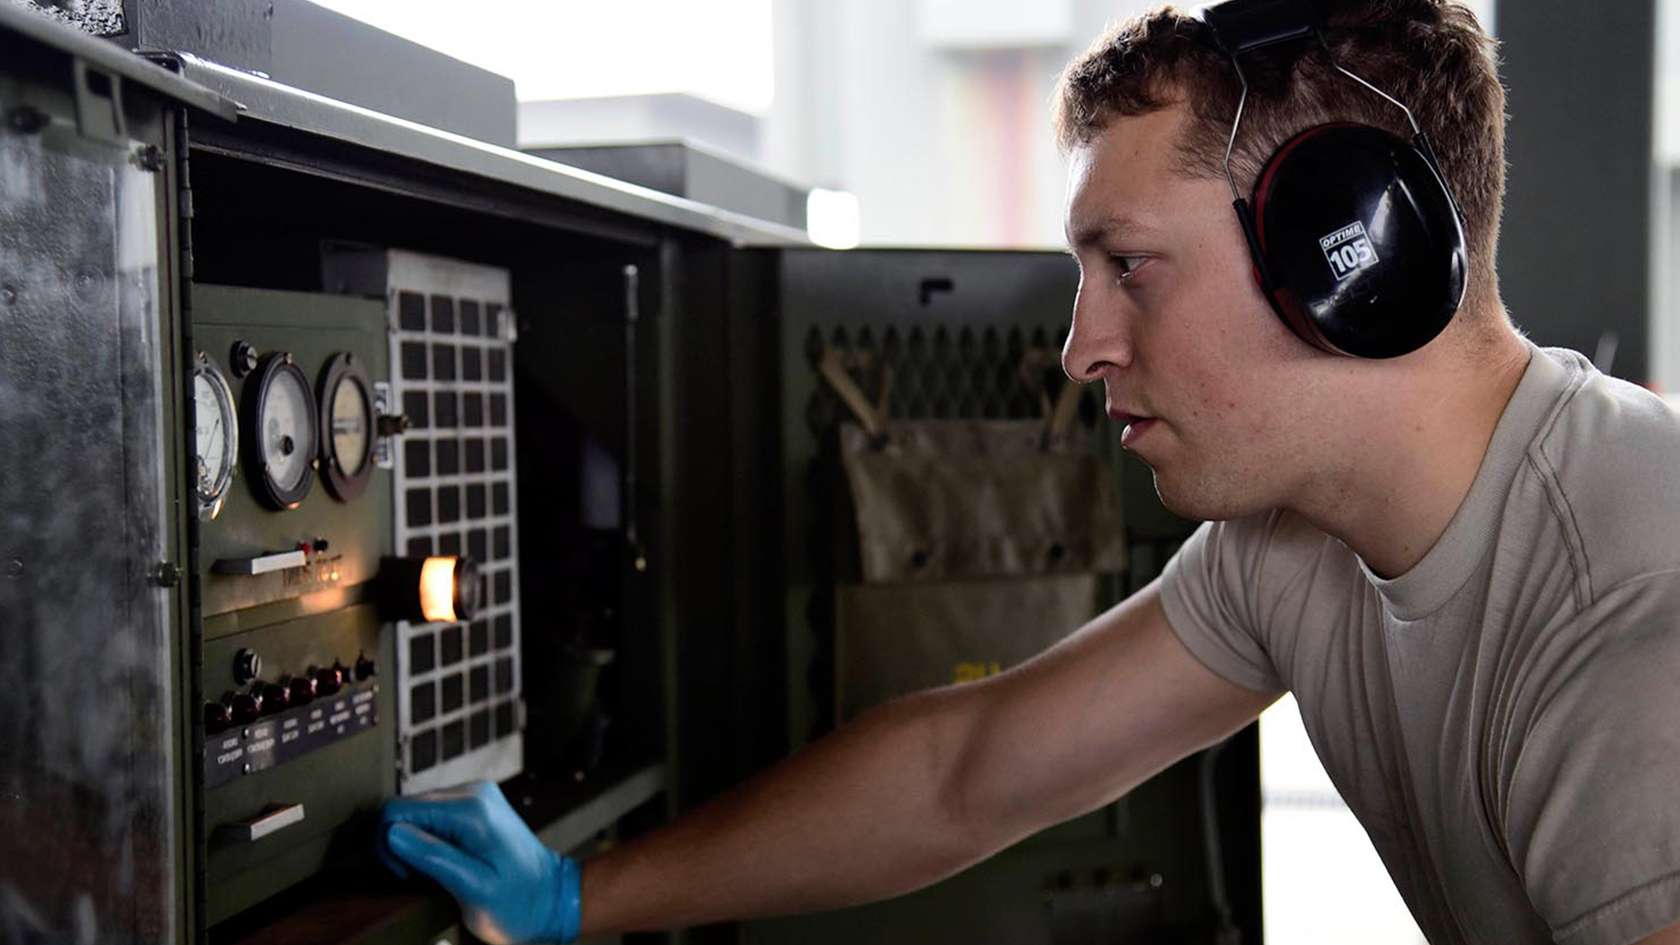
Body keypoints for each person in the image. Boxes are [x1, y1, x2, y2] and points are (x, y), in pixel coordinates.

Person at [378, 2, 1680, 943]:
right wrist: (575, 896)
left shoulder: (1629, 632)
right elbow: (971, 767)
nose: (1078, 348)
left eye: (1131, 266)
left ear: (1352, 255)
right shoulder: (1292, 550)